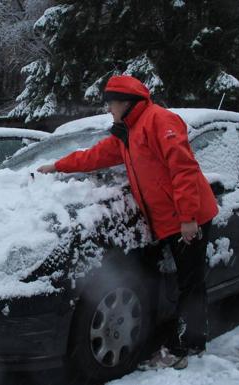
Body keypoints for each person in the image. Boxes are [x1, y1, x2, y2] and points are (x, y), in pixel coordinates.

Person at [37, 75, 218, 370]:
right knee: (182, 280)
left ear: (126, 102)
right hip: (166, 220)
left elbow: (183, 169)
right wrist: (57, 166)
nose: (109, 110)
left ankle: (188, 345)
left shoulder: (161, 120)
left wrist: (188, 218)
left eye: (111, 104)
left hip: (188, 218)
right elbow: (93, 156)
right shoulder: (128, 133)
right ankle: (182, 336)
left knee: (191, 283)